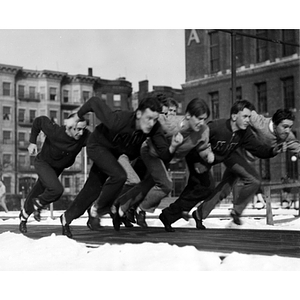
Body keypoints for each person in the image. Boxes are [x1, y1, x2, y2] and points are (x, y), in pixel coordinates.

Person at [60, 96, 183, 238]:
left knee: (92, 190)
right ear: (138, 114)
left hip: (115, 153)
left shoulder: (154, 129)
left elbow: (164, 155)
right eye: (148, 118)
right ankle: (103, 209)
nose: (151, 123)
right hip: (98, 146)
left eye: (155, 119)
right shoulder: (119, 120)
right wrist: (77, 116)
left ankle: (66, 219)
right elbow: (94, 102)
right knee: (119, 175)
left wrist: (173, 146)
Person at [159, 100, 283, 232]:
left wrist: (272, 151)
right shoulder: (217, 127)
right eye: (245, 116)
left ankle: (181, 214)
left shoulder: (244, 133)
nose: (248, 120)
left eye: (249, 117)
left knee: (199, 188)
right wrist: (197, 162)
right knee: (204, 188)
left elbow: (257, 148)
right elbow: (197, 139)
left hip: (221, 157)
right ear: (234, 116)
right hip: (198, 158)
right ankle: (169, 215)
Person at [111, 97, 213, 230]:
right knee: (166, 184)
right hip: (151, 152)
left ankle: (121, 205)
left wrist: (208, 155)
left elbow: (203, 147)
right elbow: (152, 120)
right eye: (199, 118)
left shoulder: (203, 131)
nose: (201, 122)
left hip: (167, 158)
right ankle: (140, 208)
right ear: (188, 115)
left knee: (148, 184)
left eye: (204, 119)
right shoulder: (171, 123)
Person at [201, 108, 300, 220]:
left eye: (290, 127)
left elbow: (297, 148)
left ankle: (200, 214)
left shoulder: (288, 137)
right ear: (275, 124)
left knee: (226, 187)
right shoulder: (259, 122)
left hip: (245, 160)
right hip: (234, 151)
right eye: (285, 127)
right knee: (253, 179)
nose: (287, 131)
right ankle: (236, 211)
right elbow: (245, 114)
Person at [18, 114, 89, 233]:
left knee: (39, 190)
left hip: (57, 168)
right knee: (56, 190)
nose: (81, 133)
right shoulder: (55, 131)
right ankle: (38, 204)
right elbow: (39, 121)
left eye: (83, 129)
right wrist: (32, 142)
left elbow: (100, 139)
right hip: (43, 163)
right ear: (69, 127)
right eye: (78, 129)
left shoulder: (84, 136)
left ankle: (24, 216)